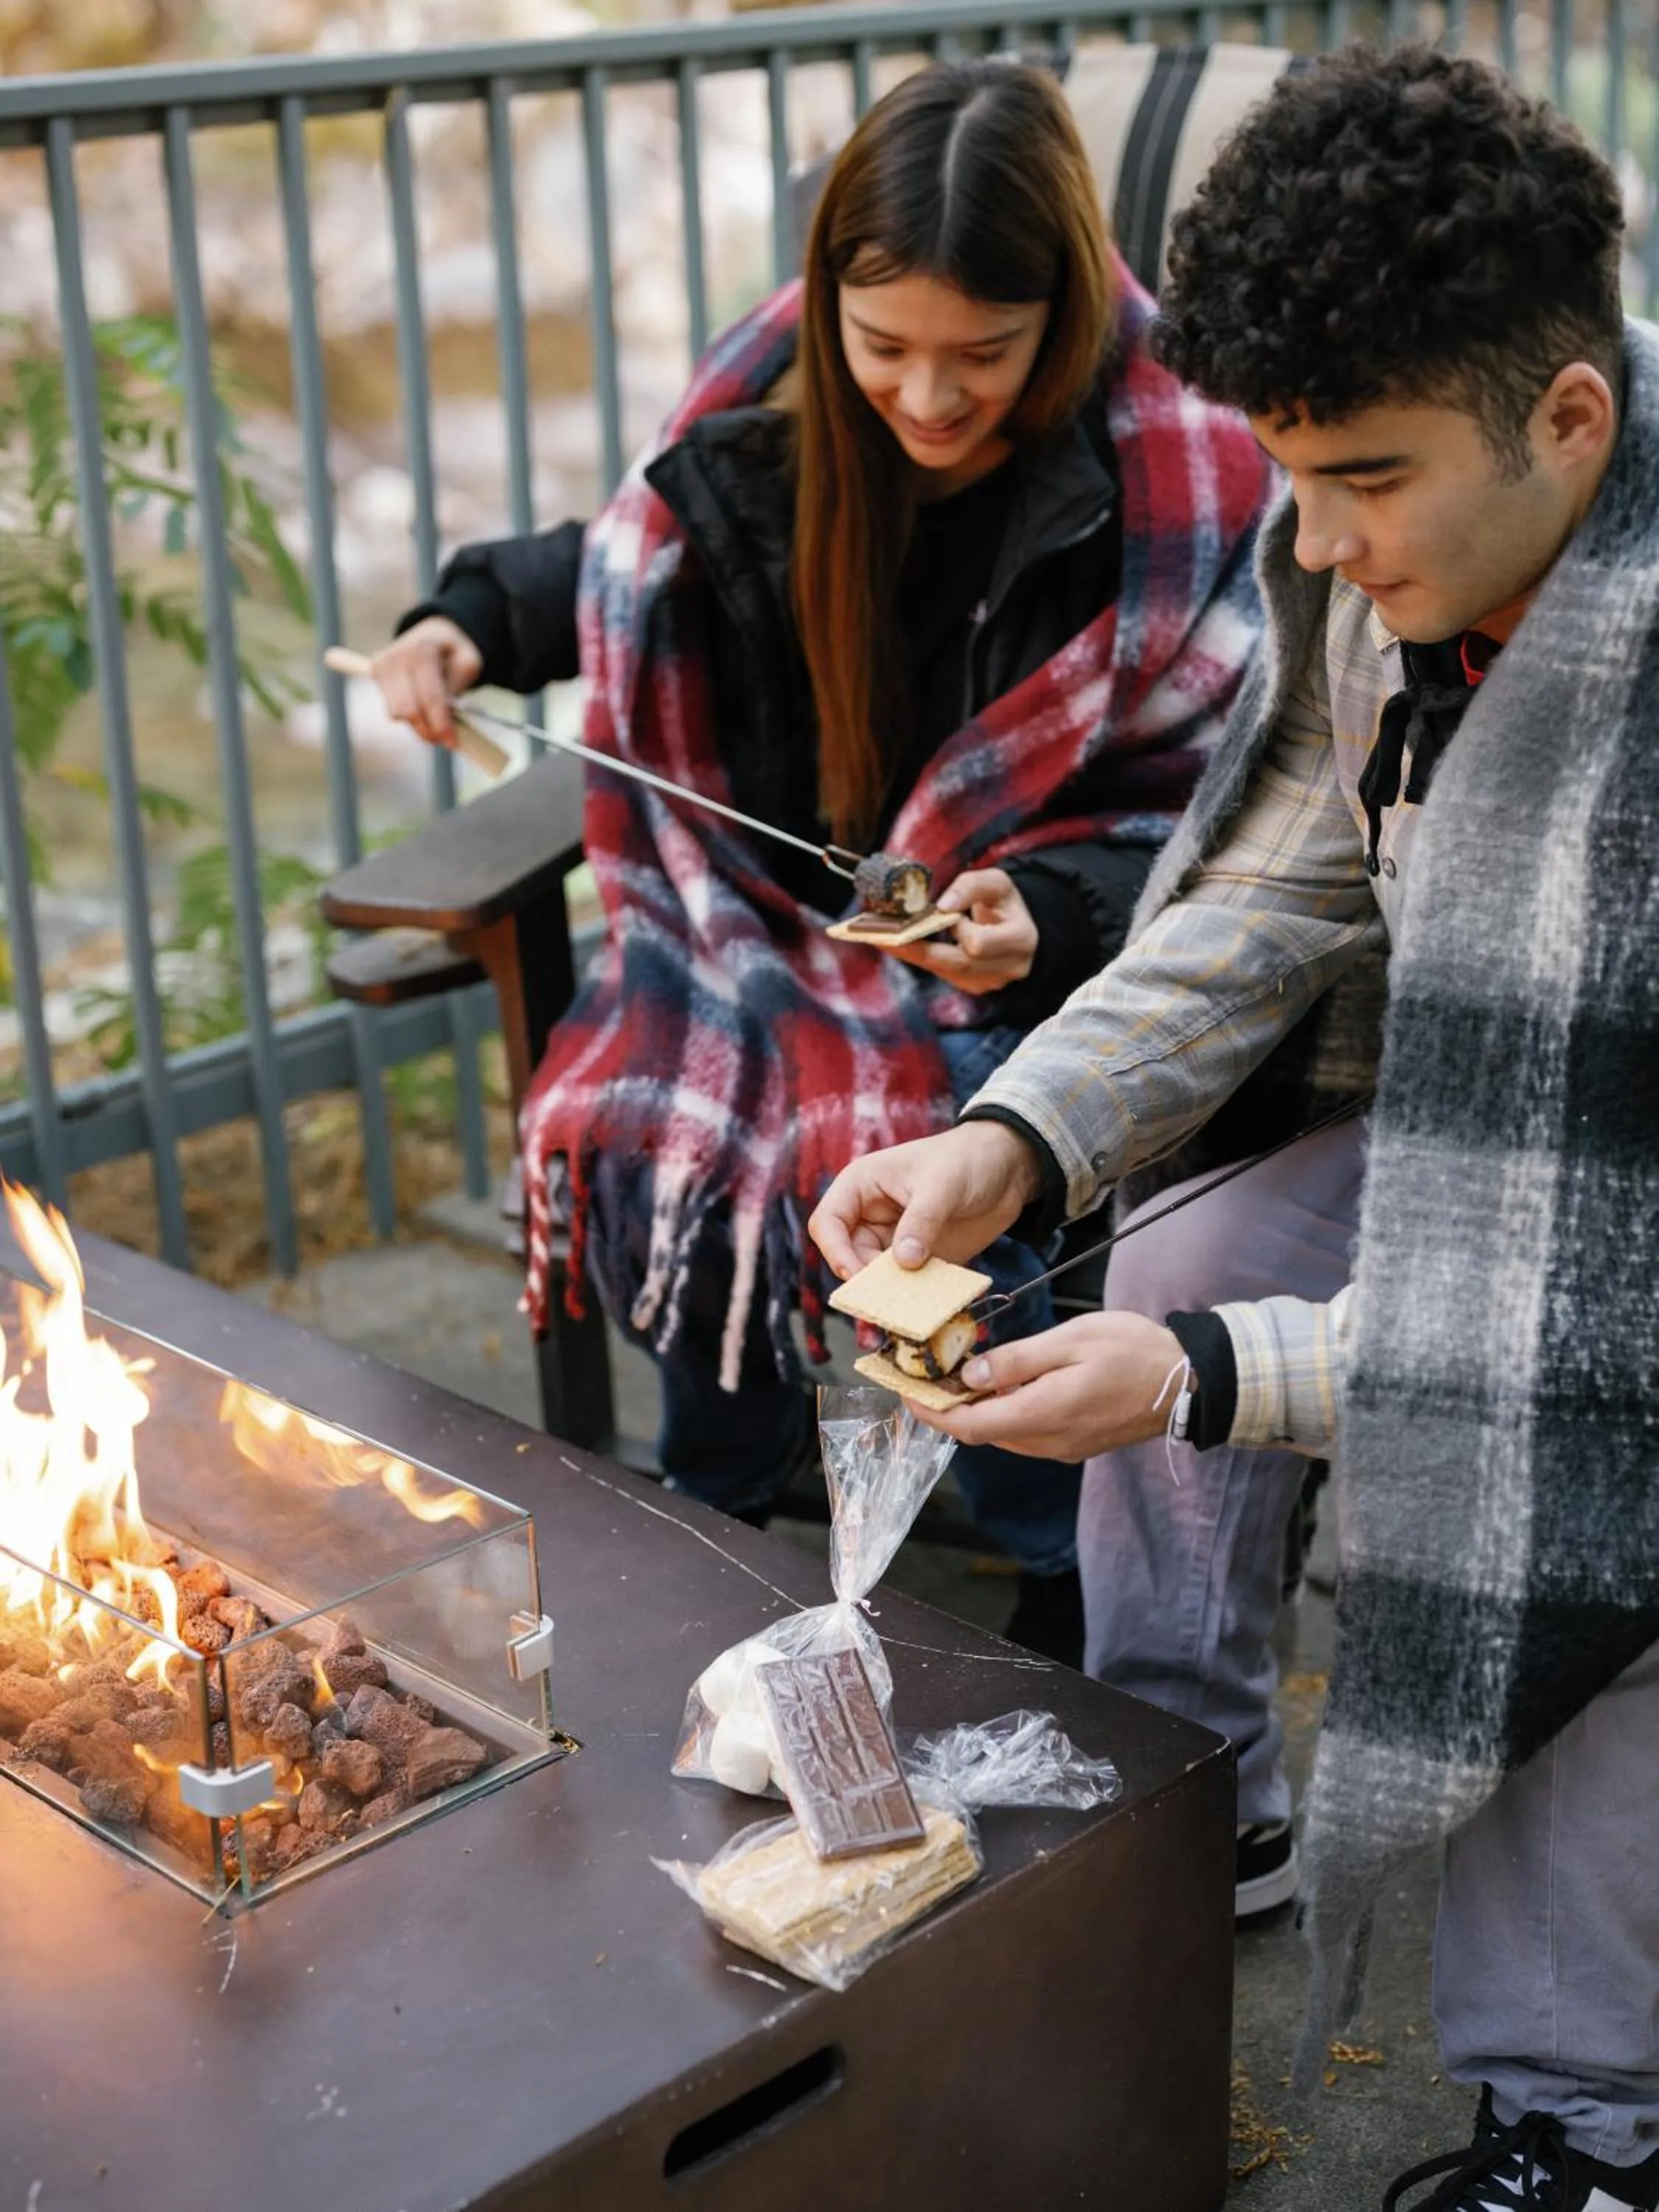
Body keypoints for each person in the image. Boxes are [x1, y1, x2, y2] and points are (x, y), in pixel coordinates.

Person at [810, 44, 1659, 2212]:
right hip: (1486, 1131)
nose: (1318, 542)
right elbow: (1281, 888)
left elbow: (1604, 1335)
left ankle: (1591, 2126)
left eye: (1364, 481)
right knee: (1185, 1253)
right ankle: (1201, 1797)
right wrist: (1019, 1140)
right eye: (1293, 475)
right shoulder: (1396, 567)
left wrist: (1199, 1380)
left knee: (1572, 1561)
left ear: (1573, 416)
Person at [369, 58, 1269, 1663]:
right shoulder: (774, 424)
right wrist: (464, 622)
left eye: (981, 355)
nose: (925, 398)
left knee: (961, 1139)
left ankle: (1045, 1554)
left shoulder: (1173, 486)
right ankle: (716, 1513)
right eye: (884, 347)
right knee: (694, 1101)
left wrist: (1051, 919)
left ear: (1061, 314)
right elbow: (629, 558)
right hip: (770, 928)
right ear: (827, 307)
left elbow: (1234, 823)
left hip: (1036, 958)